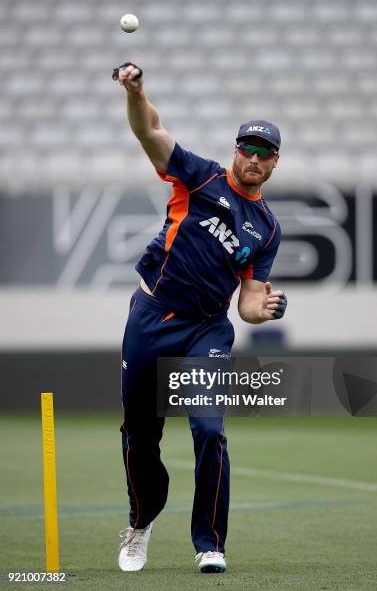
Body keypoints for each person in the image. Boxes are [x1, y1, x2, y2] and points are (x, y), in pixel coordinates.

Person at [114, 61, 288, 574]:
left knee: (209, 429)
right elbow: (149, 130)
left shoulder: (267, 228)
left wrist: (266, 309)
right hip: (152, 315)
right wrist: (137, 91)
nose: (253, 159)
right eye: (247, 148)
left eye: (264, 153)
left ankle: (210, 543)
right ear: (235, 150)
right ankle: (142, 520)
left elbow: (250, 303)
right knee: (141, 434)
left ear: (275, 164)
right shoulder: (200, 175)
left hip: (207, 329)